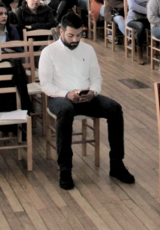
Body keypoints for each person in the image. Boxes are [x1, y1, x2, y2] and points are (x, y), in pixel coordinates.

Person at [39, 13, 134, 190]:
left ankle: (117, 164)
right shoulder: (49, 52)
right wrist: (66, 94)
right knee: (66, 111)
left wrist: (93, 92)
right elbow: (45, 85)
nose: (75, 39)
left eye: (79, 35)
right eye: (71, 35)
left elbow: (96, 78)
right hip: (60, 97)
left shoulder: (88, 50)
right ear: (61, 32)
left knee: (115, 108)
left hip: (86, 96)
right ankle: (65, 169)